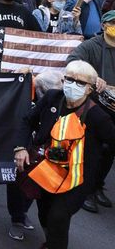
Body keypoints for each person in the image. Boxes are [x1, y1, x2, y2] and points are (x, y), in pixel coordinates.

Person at [14, 61, 115, 249]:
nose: (73, 84)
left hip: (76, 179)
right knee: (44, 213)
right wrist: (20, 148)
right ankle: (51, 241)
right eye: (69, 79)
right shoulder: (53, 98)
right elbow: (28, 121)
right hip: (46, 170)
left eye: (80, 82)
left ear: (89, 89)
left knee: (58, 217)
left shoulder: (98, 116)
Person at [67, 9, 115, 213]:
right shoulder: (91, 45)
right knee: (95, 150)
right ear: (105, 26)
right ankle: (85, 190)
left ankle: (97, 186)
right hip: (96, 106)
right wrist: (94, 78)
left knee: (110, 150)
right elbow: (72, 61)